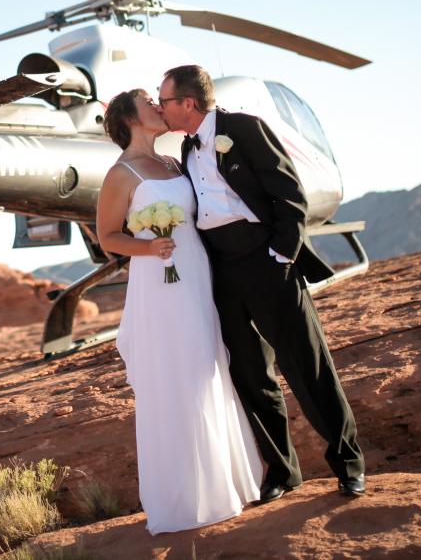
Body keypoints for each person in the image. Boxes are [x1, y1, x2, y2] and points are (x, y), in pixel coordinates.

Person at [157, 64, 366, 501]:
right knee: (250, 373)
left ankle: (348, 464)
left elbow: (289, 194)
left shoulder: (244, 128)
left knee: (306, 365)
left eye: (165, 101)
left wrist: (281, 255)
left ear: (188, 103)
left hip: (267, 262)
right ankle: (283, 471)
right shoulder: (185, 151)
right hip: (222, 272)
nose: (161, 108)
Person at [96, 88, 262, 535]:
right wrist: (148, 247)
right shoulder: (121, 174)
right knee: (176, 374)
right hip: (159, 285)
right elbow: (108, 236)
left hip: (197, 276)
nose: (158, 106)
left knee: (207, 366)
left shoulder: (174, 163)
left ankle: (220, 483)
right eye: (149, 103)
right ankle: (185, 498)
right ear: (131, 118)